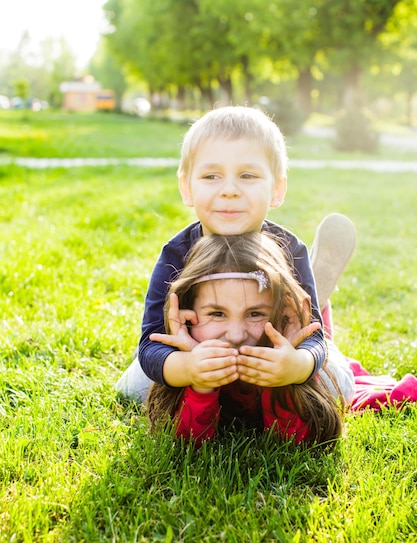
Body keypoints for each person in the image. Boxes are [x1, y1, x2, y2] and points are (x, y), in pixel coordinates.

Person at [116, 105, 356, 402]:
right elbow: (151, 344)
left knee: (340, 389)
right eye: (211, 177)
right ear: (186, 187)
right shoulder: (176, 255)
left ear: (277, 189)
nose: (229, 190)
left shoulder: (289, 251)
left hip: (271, 354)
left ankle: (315, 298)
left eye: (248, 175)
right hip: (201, 357)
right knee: (132, 390)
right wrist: (188, 367)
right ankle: (317, 294)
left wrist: (296, 366)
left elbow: (313, 341)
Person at [147, 232, 346, 447]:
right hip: (178, 355)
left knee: (338, 382)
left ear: (281, 313)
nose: (236, 335)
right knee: (131, 387)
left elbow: (299, 441)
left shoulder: (289, 355)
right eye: (217, 313)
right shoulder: (181, 360)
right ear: (187, 314)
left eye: (255, 314)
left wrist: (281, 378)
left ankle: (318, 310)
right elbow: (187, 442)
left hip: (306, 350)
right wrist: (201, 384)